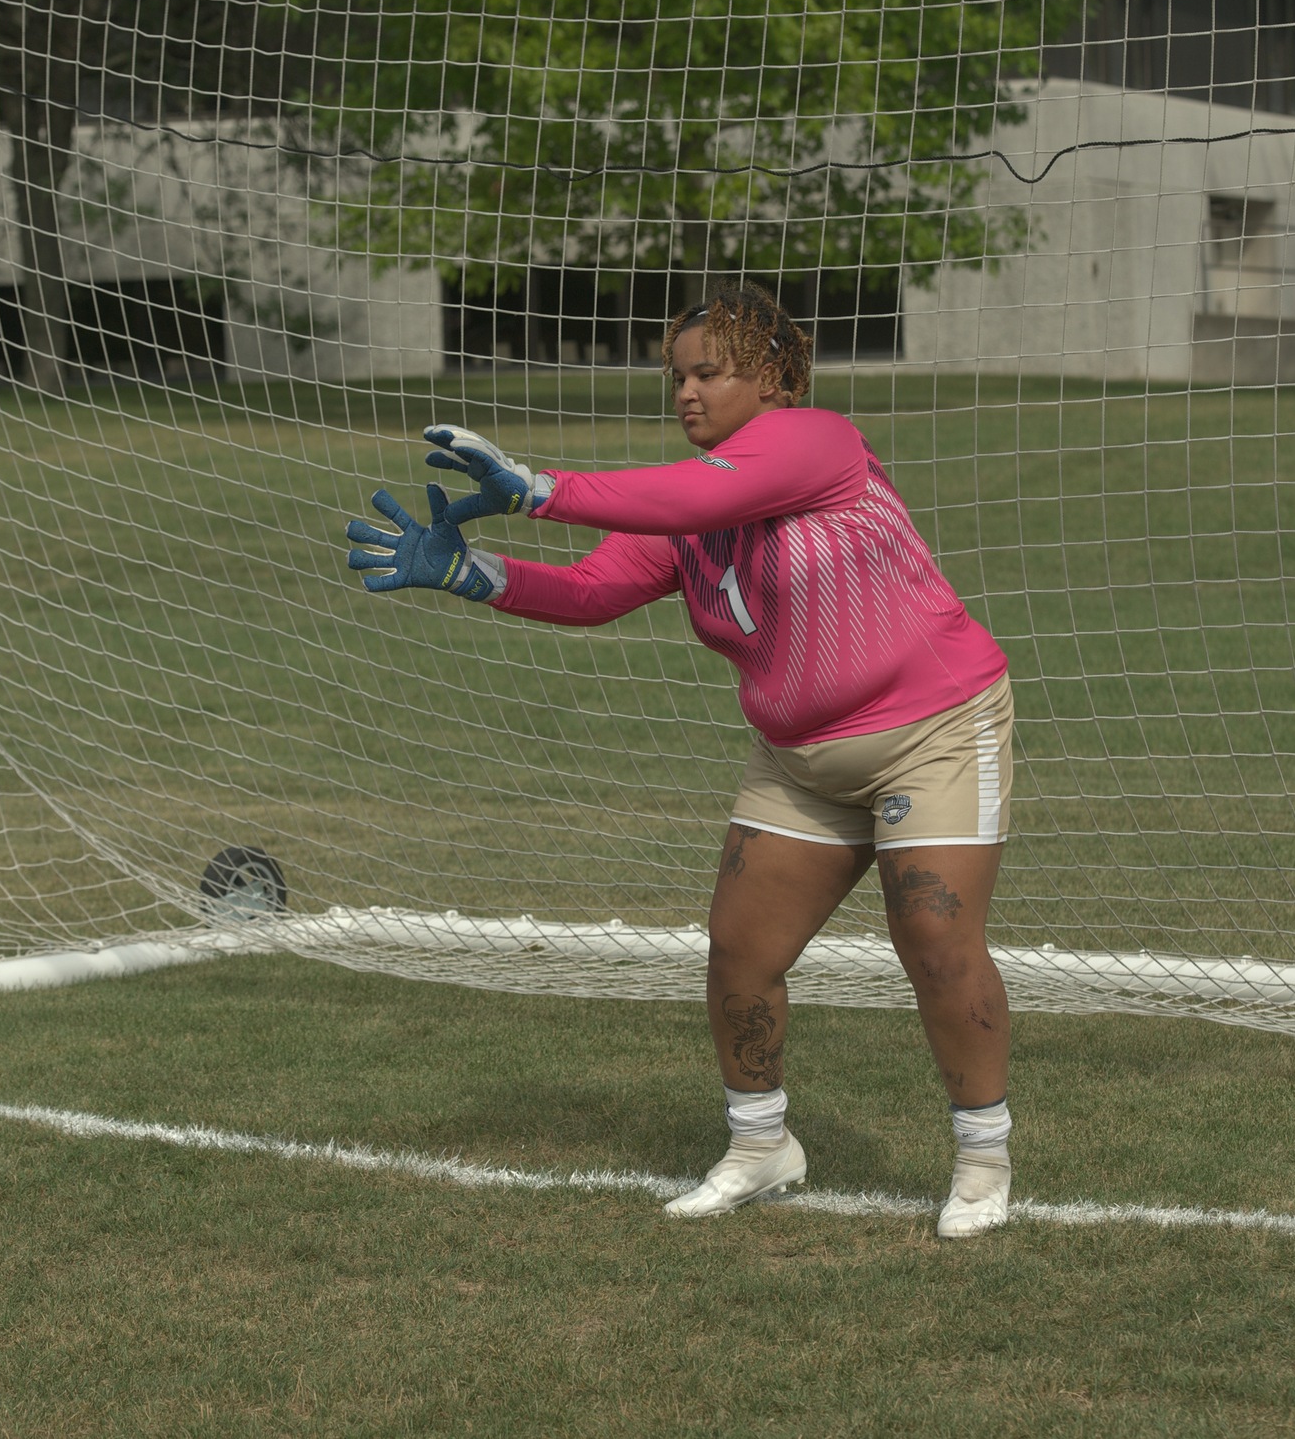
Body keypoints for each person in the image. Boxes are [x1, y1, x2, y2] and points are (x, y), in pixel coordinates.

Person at [342, 283, 1017, 1239]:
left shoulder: (817, 439)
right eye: (677, 376)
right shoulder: (690, 506)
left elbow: (702, 491)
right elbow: (592, 590)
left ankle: (983, 1162)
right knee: (741, 953)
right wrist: (470, 575)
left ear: (774, 377)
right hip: (798, 757)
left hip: (935, 730)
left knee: (936, 944)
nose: (687, 392)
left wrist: (542, 490)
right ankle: (759, 1147)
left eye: (711, 371)